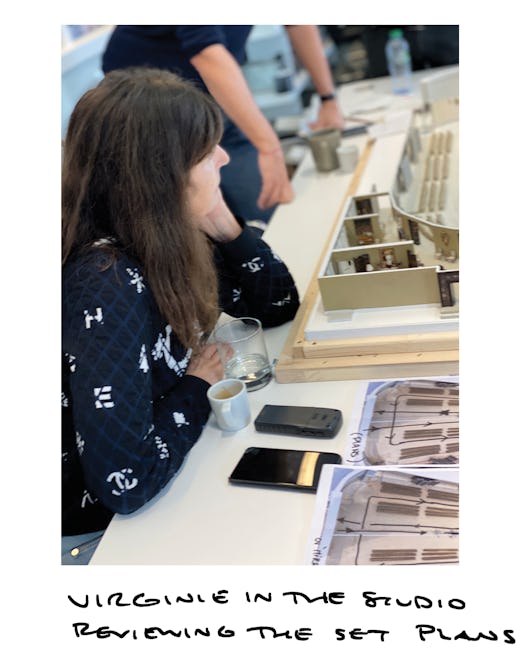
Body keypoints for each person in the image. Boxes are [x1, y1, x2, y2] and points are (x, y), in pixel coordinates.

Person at [61, 67, 300, 563]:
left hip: (166, 481)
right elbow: (127, 483)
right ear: (158, 178)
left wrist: (224, 224)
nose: (224, 157)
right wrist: (196, 387)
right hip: (100, 538)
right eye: (204, 153)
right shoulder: (104, 281)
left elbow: (276, 306)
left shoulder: (160, 233)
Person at [102, 25, 345, 224]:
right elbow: (206, 53)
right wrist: (269, 147)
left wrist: (328, 99)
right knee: (188, 220)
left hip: (208, 94)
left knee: (264, 204)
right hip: (151, 103)